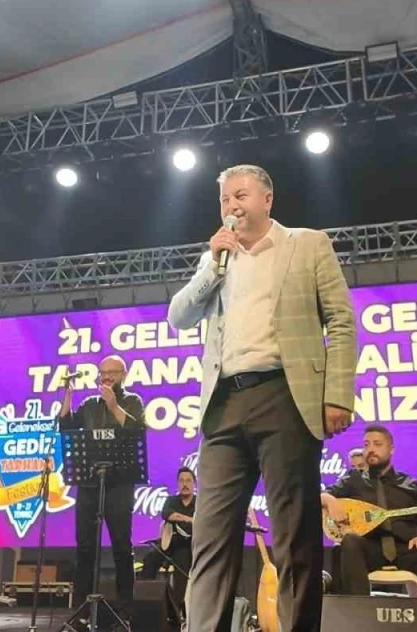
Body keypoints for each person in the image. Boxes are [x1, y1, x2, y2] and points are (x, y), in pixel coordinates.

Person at [168, 164, 356, 632]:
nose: (231, 206)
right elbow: (179, 316)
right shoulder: (216, 257)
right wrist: (212, 264)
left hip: (284, 396)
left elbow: (341, 321)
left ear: (267, 199)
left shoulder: (307, 244)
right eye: (224, 199)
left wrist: (337, 394)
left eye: (240, 195)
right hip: (223, 404)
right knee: (210, 536)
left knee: (294, 535)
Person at [321, 424, 417, 625]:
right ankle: (359, 622)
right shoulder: (352, 479)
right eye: (366, 444)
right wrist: (331, 501)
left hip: (405, 550)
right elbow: (321, 496)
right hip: (368, 551)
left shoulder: (411, 485)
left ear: (391, 449)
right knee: (349, 542)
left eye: (377, 444)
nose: (370, 449)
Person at [59, 355, 146, 628]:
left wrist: (113, 405)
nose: (106, 377)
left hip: (119, 485)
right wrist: (68, 395)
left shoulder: (133, 401)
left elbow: (136, 429)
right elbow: (66, 427)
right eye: (102, 373)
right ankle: (81, 611)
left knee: (122, 547)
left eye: (112, 372)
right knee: (85, 548)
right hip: (89, 484)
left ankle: (125, 610)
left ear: (124, 374)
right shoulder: (89, 405)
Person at [140, 467, 198, 626]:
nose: (185, 484)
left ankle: (177, 613)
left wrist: (186, 520)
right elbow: (167, 514)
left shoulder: (200, 503)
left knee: (182, 568)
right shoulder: (172, 501)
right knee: (150, 558)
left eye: (188, 481)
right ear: (177, 484)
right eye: (181, 481)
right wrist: (190, 520)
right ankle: (145, 601)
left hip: (187, 545)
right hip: (168, 543)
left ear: (194, 484)